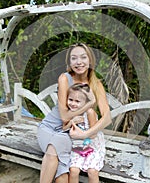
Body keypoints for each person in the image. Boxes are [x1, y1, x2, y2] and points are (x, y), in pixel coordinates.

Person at [37, 43, 112, 183]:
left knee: (64, 175)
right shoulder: (65, 78)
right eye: (74, 58)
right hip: (51, 127)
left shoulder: (96, 84)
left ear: (90, 60)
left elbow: (107, 117)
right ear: (69, 62)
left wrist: (85, 134)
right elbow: (64, 116)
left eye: (83, 57)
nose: (79, 62)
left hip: (70, 133)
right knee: (53, 153)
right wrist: (89, 104)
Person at [63, 83, 105, 183]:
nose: (73, 103)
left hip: (93, 146)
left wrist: (81, 134)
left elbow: (94, 134)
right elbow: (64, 128)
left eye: (77, 101)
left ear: (86, 102)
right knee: (73, 170)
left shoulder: (89, 112)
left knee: (92, 171)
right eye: (70, 100)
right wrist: (73, 122)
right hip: (78, 147)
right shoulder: (69, 112)